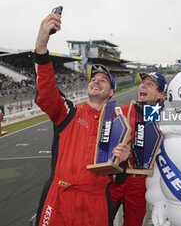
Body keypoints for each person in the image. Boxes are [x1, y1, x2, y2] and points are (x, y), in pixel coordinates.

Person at [34, 13, 131, 226]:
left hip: (96, 202)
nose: (96, 81)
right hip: (60, 198)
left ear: (111, 92)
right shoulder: (69, 111)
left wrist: (123, 160)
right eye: (93, 79)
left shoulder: (118, 125)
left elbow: (119, 178)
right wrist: (41, 48)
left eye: (103, 80)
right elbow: (47, 93)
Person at [109, 72, 167, 226]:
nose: (143, 86)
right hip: (115, 178)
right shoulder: (121, 111)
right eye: (143, 83)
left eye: (150, 84)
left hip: (140, 182)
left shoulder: (161, 117)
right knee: (100, 220)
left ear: (160, 94)